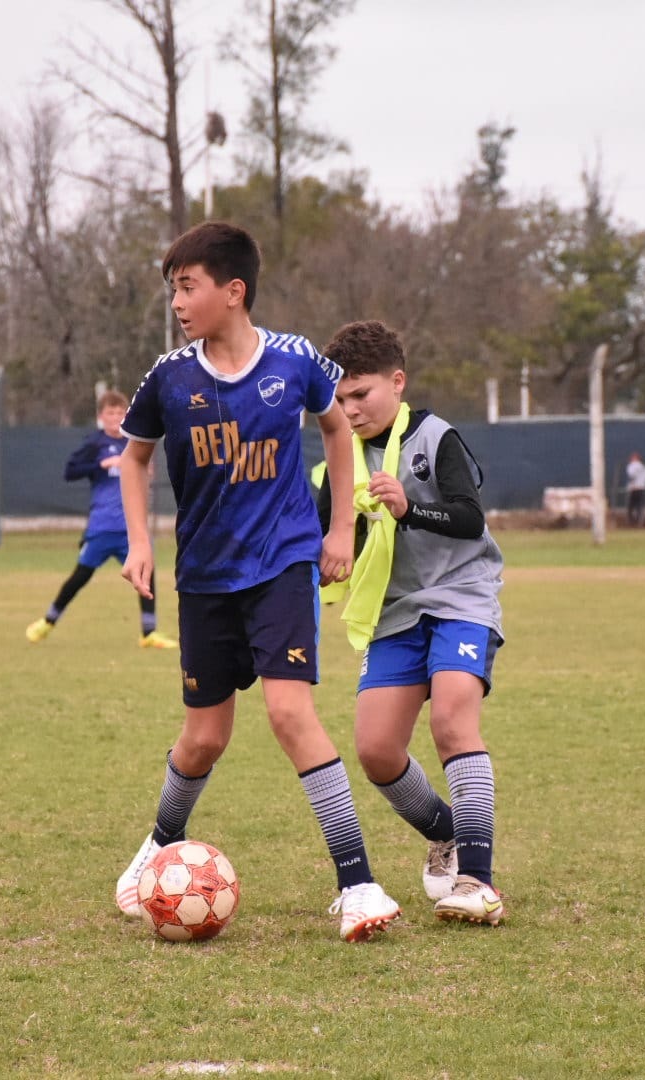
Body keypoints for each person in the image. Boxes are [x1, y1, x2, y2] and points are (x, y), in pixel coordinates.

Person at [111, 221, 402, 942]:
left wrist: (338, 530)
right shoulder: (169, 378)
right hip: (205, 578)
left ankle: (358, 885)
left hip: (282, 564)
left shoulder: (297, 360)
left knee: (288, 713)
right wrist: (142, 542)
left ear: (232, 291)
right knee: (204, 737)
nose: (177, 302)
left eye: (188, 286)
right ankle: (157, 846)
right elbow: (134, 459)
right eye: (173, 288)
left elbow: (338, 431)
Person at [315, 319, 507, 926]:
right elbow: (321, 541)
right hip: (394, 614)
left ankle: (478, 880)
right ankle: (450, 833)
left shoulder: (433, 436)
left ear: (397, 383)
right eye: (340, 400)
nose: (349, 410)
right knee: (376, 751)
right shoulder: (337, 461)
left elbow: (470, 520)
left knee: (453, 717)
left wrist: (409, 506)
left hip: (460, 598)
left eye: (362, 394)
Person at [26, 390, 177, 649]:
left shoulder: (134, 443)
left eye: (120, 412)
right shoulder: (94, 444)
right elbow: (70, 471)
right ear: (101, 417)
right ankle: (47, 621)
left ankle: (149, 631)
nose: (116, 417)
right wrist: (101, 465)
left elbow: (141, 474)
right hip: (102, 527)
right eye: (111, 412)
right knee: (80, 576)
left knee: (146, 575)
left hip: (130, 529)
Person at [624, 451, 645, 527]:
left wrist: (631, 485)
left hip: (633, 489)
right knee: (640, 506)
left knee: (631, 506)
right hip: (642, 488)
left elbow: (631, 476)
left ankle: (631, 522)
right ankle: (640, 522)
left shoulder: (631, 466)